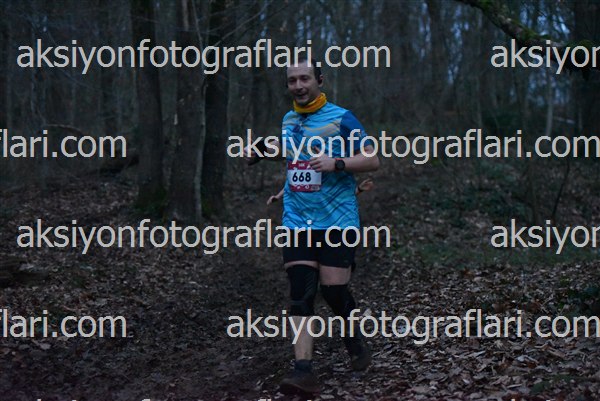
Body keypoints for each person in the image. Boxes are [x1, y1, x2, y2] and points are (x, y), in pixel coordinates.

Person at [246, 58, 380, 395]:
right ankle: (303, 370)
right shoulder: (289, 119)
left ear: (320, 80)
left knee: (334, 291)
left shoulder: (342, 118)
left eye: (305, 78)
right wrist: (262, 157)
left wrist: (338, 163)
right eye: (292, 80)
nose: (298, 86)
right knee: (300, 293)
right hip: (297, 220)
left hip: (337, 220)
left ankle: (354, 340)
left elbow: (372, 159)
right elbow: (296, 160)